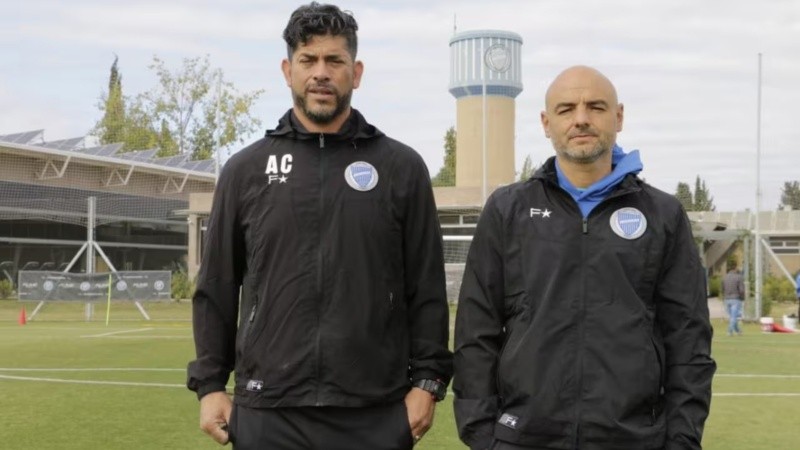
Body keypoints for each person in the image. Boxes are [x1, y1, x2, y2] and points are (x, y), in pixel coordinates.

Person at [186, 3, 452, 449]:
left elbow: (426, 287)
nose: (321, 73)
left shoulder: (401, 168)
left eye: (335, 60)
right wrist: (211, 384)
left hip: (376, 411)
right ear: (288, 70)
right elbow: (217, 285)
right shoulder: (246, 169)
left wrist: (427, 385)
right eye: (309, 61)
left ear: (357, 71)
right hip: (269, 409)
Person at [453, 66, 716, 450]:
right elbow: (475, 331)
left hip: (633, 439)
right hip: (523, 438)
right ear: (546, 123)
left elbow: (689, 338)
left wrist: (681, 438)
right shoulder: (508, 209)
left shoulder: (663, 214)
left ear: (619, 116)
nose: (580, 119)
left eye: (595, 107)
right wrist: (482, 434)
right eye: (566, 109)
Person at [722, 261, 745, 336]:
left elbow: (722, 288)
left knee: (732, 316)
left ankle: (738, 331)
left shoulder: (725, 277)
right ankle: (729, 331)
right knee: (734, 317)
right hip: (736, 298)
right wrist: (742, 298)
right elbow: (741, 290)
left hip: (726, 299)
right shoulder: (739, 277)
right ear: (735, 268)